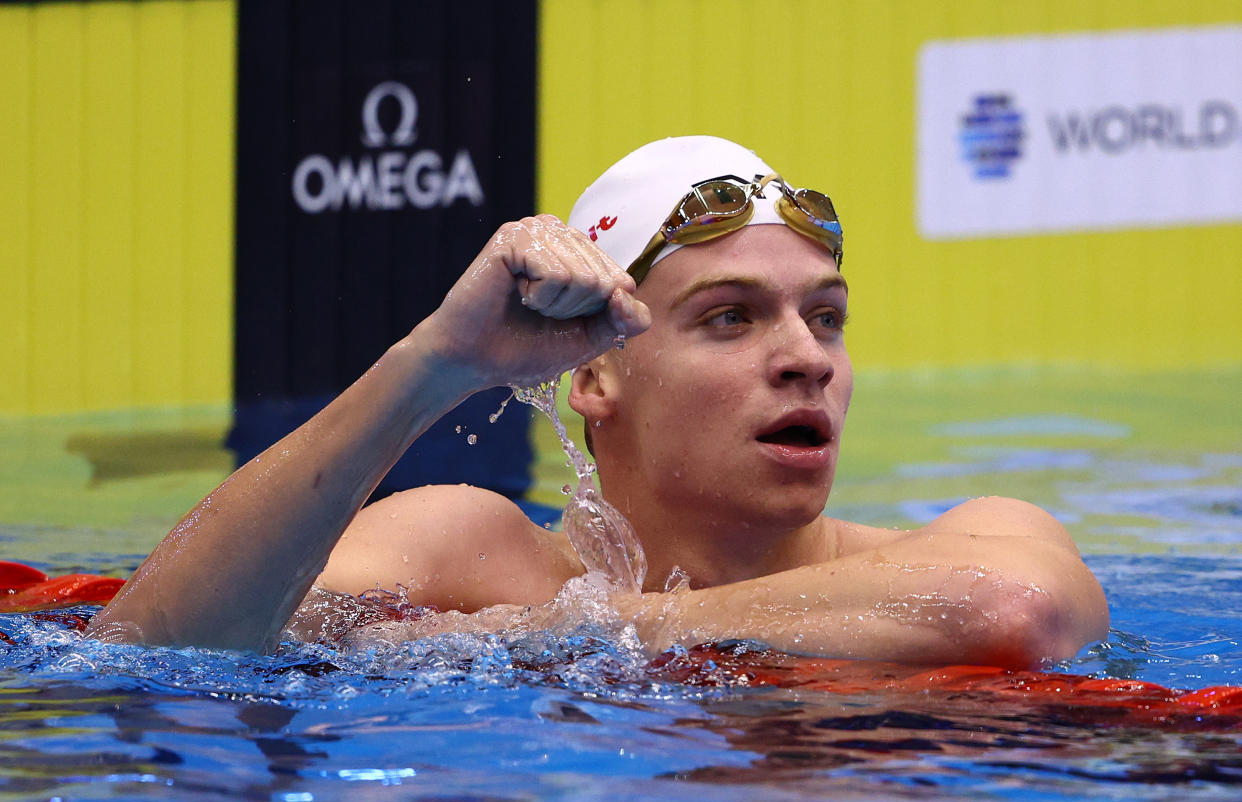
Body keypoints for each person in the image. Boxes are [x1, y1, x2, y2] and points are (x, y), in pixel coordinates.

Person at [87, 136, 1109, 665]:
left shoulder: (975, 535)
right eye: (730, 318)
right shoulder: (474, 551)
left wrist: (574, 633)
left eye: (826, 316)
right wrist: (433, 365)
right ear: (595, 377)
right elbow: (159, 648)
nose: (808, 358)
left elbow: (1010, 611)